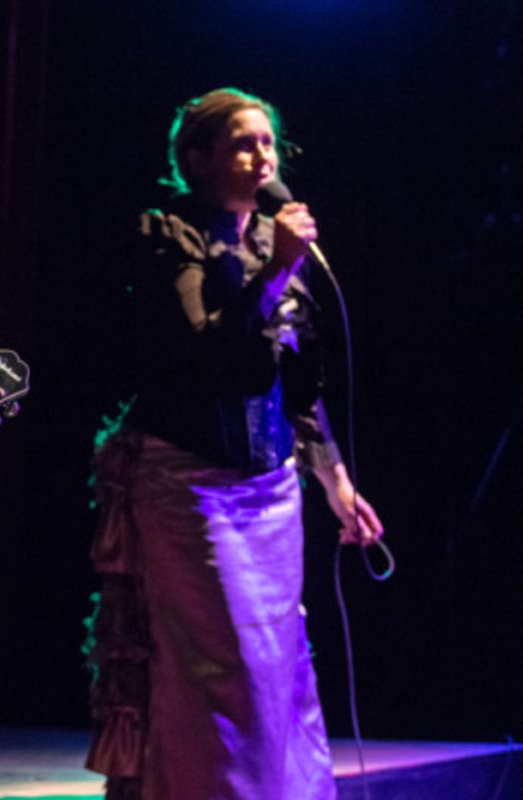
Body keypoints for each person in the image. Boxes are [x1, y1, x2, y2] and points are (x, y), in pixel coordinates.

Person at [83, 88, 385, 800]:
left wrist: (335, 480)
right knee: (226, 670)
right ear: (198, 159)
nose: (263, 157)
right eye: (243, 143)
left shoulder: (274, 243)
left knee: (277, 666)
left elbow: (296, 384)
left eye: (268, 143)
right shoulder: (167, 236)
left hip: (271, 491)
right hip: (190, 486)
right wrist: (277, 269)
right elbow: (206, 360)